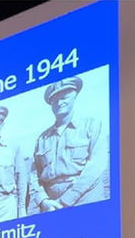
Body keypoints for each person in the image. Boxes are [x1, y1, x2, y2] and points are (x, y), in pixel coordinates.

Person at [25, 76, 109, 213]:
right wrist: (43, 200)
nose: (60, 102)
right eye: (55, 100)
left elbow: (96, 166)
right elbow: (34, 175)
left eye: (64, 97)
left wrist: (65, 200)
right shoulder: (42, 139)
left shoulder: (92, 126)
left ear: (74, 96)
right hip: (51, 206)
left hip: (85, 200)